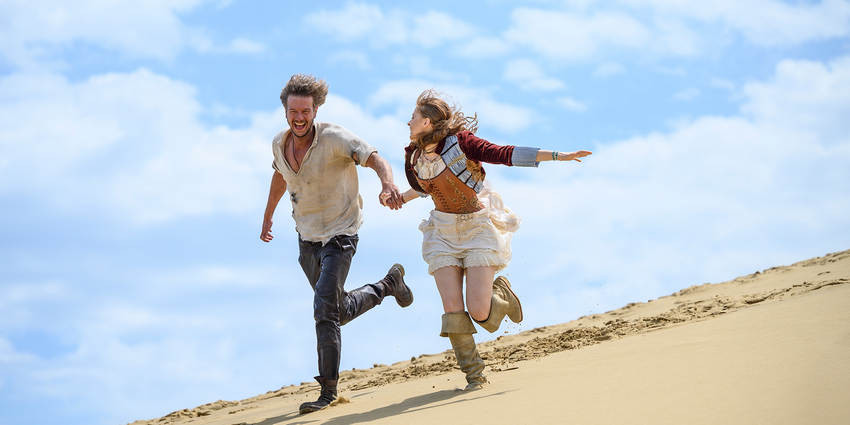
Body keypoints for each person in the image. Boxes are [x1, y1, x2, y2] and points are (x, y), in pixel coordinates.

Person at [389, 90, 591, 391]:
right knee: (453, 309)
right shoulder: (413, 157)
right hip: (442, 233)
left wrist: (558, 156)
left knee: (481, 314)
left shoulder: (462, 143)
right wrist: (399, 199)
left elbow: (504, 153)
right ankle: (474, 376)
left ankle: (502, 293)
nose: (409, 122)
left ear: (428, 122)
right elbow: (425, 187)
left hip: (477, 230)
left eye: (413, 117)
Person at [260, 74, 414, 414]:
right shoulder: (279, 143)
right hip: (307, 239)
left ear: (316, 110)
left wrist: (387, 184)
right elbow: (280, 175)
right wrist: (268, 216)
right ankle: (388, 285)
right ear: (285, 111)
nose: (299, 118)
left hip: (341, 234)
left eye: (305, 111)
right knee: (336, 311)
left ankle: (327, 392)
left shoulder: (334, 137)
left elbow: (374, 157)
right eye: (293, 111)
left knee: (323, 310)